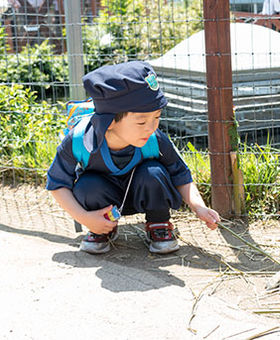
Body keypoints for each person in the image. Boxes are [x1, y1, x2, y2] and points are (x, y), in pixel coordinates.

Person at [46, 61, 220, 255]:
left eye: (157, 117)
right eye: (141, 121)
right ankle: (102, 228)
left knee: (154, 172)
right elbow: (57, 183)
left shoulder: (153, 139)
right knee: (87, 185)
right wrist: (85, 217)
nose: (151, 127)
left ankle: (158, 223)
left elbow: (181, 174)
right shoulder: (79, 140)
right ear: (109, 122)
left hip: (144, 192)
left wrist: (199, 208)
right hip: (104, 197)